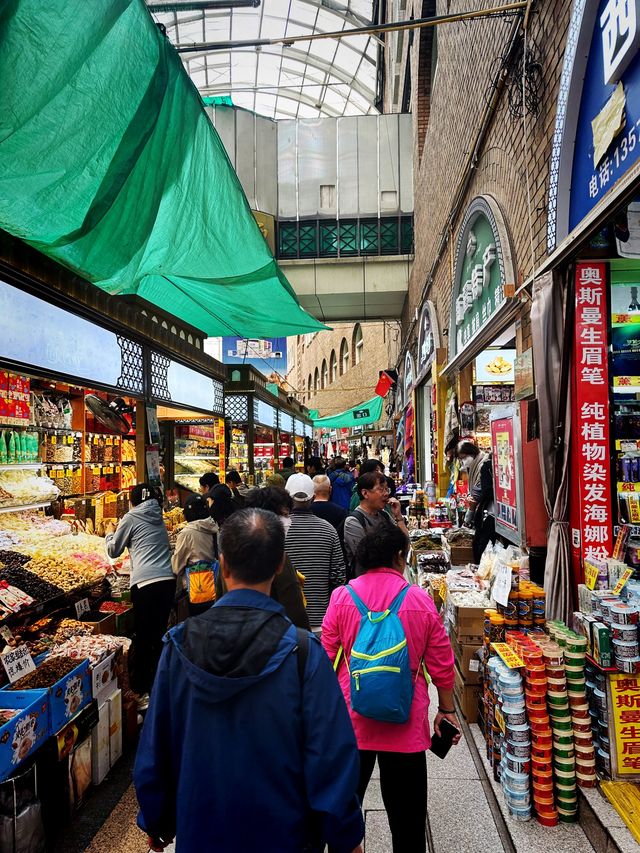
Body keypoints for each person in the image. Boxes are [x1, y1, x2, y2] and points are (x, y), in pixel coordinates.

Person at [134, 509, 365, 853]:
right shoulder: (303, 652)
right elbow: (330, 754)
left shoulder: (178, 646)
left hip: (202, 832)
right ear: (278, 565)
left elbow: (156, 745)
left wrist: (156, 818)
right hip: (286, 835)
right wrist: (344, 834)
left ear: (222, 566)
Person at [321, 525, 458, 853]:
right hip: (405, 722)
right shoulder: (418, 599)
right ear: (399, 557)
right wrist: (447, 709)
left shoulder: (342, 596)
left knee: (344, 814)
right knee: (408, 820)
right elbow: (441, 661)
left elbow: (324, 658)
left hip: (352, 721)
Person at [105, 484, 174, 709]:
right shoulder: (158, 517)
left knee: (144, 637)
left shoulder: (131, 517)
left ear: (133, 501)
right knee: (158, 635)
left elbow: (114, 550)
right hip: (166, 581)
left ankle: (143, 691)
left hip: (145, 583)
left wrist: (108, 533)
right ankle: (161, 683)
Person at [284, 474, 346, 632]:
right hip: (322, 619)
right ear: (312, 497)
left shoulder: (276, 530)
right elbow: (339, 577)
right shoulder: (328, 530)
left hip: (286, 620)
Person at [244, 487, 310, 629]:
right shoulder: (277, 558)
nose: (288, 521)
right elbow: (295, 610)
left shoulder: (233, 553)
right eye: (285, 515)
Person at [343, 471, 409, 577]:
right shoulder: (353, 522)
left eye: (387, 489)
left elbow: (404, 543)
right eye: (381, 489)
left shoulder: (384, 515)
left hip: (389, 579)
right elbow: (367, 558)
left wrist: (399, 517)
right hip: (367, 585)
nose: (386, 493)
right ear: (365, 493)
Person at [457, 441, 496, 562]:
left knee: (480, 548)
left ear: (471, 453)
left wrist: (473, 501)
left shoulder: (483, 466)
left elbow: (478, 494)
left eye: (463, 458)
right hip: (485, 513)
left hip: (490, 514)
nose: (463, 462)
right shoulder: (476, 466)